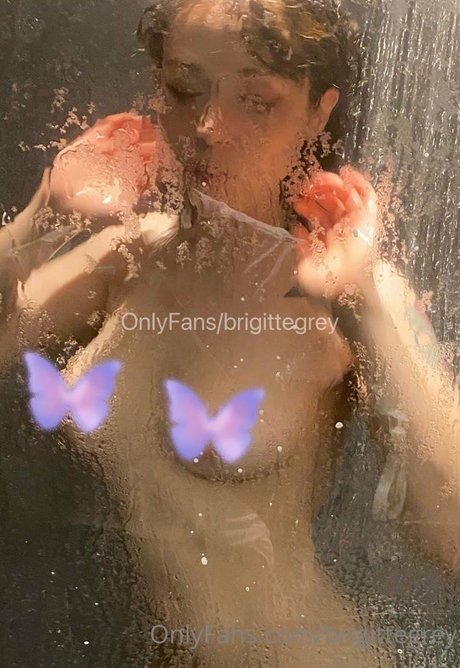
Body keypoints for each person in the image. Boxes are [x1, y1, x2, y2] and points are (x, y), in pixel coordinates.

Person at [0, 1, 458, 665]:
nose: (210, 127)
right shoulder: (130, 257)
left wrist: (363, 303)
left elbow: (453, 538)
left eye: (256, 100)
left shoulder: (353, 289)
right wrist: (44, 214)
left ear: (318, 112)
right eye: (186, 90)